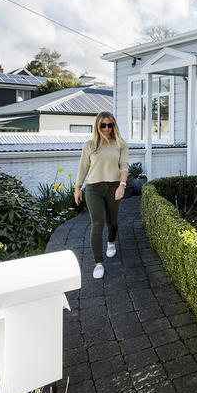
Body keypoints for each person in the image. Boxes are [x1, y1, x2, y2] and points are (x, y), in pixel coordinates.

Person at [74, 111, 129, 279]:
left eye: (109, 125)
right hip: (94, 188)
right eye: (103, 125)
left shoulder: (120, 144)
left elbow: (124, 166)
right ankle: (98, 263)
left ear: (114, 126)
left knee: (112, 222)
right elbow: (83, 167)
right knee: (97, 224)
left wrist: (122, 185)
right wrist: (78, 188)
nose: (106, 128)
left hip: (114, 187)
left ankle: (111, 242)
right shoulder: (89, 145)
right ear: (97, 126)